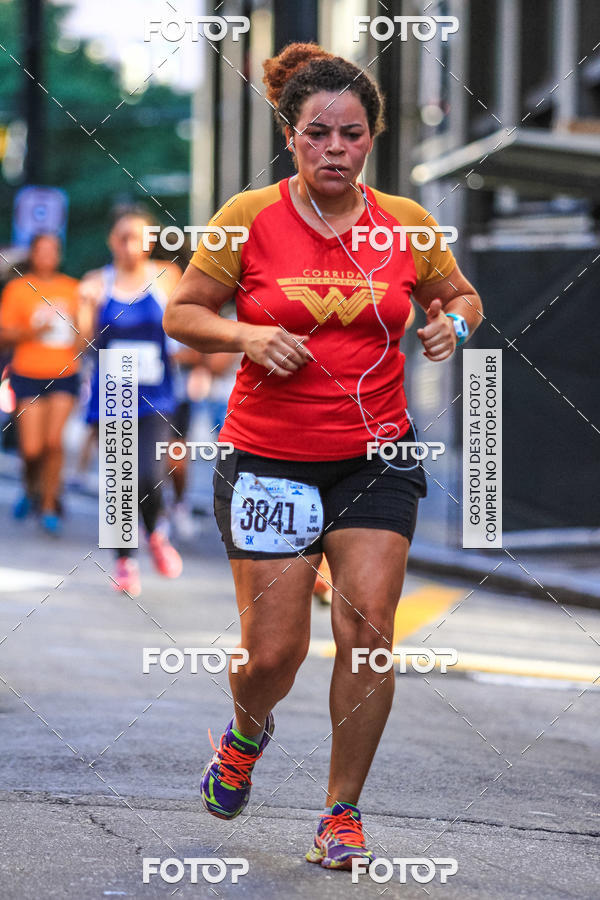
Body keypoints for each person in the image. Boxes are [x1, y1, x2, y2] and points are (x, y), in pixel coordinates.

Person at [164, 43, 483, 870]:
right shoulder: (248, 217)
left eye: (350, 134)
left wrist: (456, 323)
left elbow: (457, 293)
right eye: (317, 134)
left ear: (371, 137)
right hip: (268, 455)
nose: (334, 149)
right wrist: (244, 331)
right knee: (274, 655)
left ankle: (341, 812)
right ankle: (245, 733)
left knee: (369, 630)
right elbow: (182, 313)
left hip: (375, 454)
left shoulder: (407, 224)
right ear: (291, 135)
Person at [80, 206, 183, 597]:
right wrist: (85, 308)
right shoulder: (96, 283)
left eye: (138, 237)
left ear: (151, 241)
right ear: (112, 241)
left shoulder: (165, 277)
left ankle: (156, 530)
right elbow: (83, 347)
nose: (129, 245)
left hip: (157, 391)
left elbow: (184, 329)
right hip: (115, 388)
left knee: (149, 474)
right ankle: (124, 561)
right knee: (118, 482)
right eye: (122, 237)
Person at [0, 233, 82, 534]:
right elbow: (4, 334)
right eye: (41, 250)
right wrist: (33, 331)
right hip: (28, 372)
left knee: (54, 442)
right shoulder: (17, 289)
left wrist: (79, 334)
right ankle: (30, 485)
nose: (47, 255)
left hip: (64, 373)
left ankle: (49, 504)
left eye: (53, 250)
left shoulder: (73, 288)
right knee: (32, 448)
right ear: (33, 254)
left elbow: (84, 332)